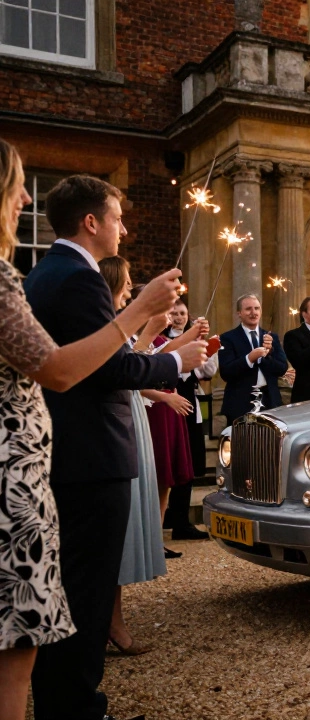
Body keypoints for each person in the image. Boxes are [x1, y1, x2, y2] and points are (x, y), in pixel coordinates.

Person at [0, 143, 185, 720]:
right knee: (82, 590)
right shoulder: (75, 281)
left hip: (60, 455)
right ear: (91, 221)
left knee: (58, 597)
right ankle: (75, 708)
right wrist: (165, 351)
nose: (123, 227)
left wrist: (155, 336)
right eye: (118, 217)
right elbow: (85, 369)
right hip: (80, 456)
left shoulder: (48, 275)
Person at [98, 256, 170, 656]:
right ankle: (110, 623)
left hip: (131, 422)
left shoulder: (116, 322)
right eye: (126, 283)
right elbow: (124, 370)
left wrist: (177, 345)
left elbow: (139, 364)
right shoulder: (106, 323)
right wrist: (151, 333)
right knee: (114, 532)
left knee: (121, 528)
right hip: (120, 422)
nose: (130, 289)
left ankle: (114, 619)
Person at [163, 298, 216, 541]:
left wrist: (208, 349)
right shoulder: (162, 339)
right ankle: (170, 516)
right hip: (168, 402)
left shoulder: (196, 338)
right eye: (174, 313)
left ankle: (181, 520)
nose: (179, 317)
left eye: (183, 312)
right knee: (169, 460)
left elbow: (208, 373)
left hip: (190, 404)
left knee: (189, 463)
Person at [218, 293, 287, 424]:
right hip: (240, 402)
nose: (253, 312)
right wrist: (249, 359)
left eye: (257, 308)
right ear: (239, 313)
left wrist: (267, 355)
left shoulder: (271, 337)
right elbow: (226, 372)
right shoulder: (228, 338)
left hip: (269, 400)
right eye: (248, 309)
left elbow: (282, 368)